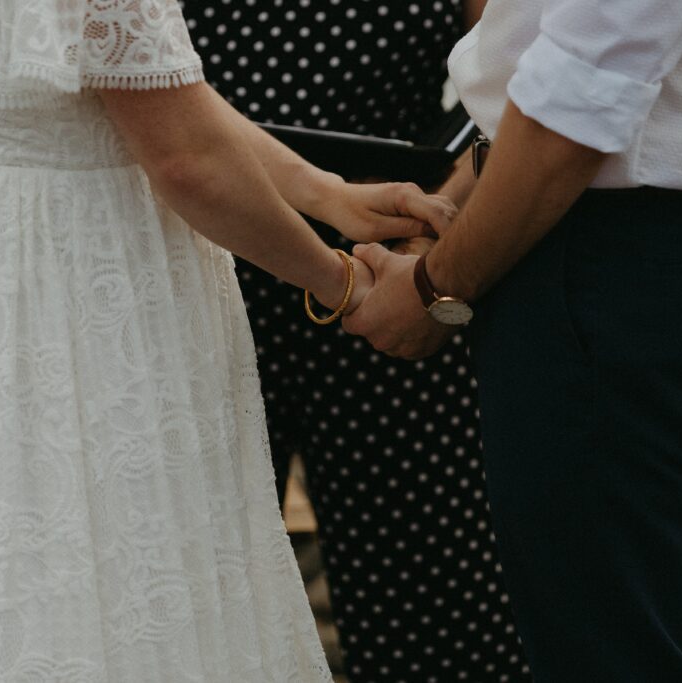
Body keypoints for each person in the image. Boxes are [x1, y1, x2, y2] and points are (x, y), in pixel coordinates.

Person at [0, 0, 454, 679]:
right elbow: (185, 158)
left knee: (23, 574)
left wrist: (323, 193)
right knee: (134, 584)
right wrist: (343, 285)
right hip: (96, 290)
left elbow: (155, 95)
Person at [344, 0, 682, 680]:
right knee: (650, 620)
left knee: (617, 651)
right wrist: (452, 211)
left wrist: (431, 292)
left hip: (603, 253)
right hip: (659, 233)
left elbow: (577, 104)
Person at [181, 2, 532, 681]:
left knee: (437, 609)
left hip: (395, 272)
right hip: (197, 274)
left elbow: (518, 82)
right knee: (195, 598)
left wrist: (436, 233)